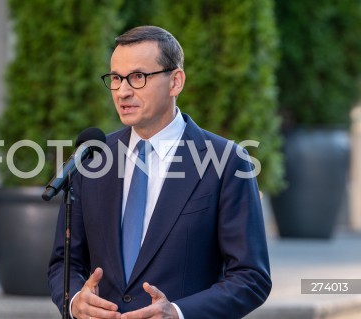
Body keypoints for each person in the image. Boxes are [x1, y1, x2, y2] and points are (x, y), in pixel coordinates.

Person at [48, 25, 271, 319]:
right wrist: (76, 300)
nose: (123, 91)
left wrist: (178, 313)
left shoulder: (227, 161)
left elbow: (251, 278)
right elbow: (64, 263)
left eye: (138, 77)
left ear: (175, 82)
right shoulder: (93, 156)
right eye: (116, 78)